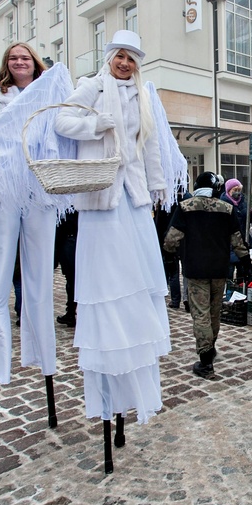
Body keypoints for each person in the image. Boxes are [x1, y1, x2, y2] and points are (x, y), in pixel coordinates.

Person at [54, 29, 175, 430]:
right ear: (110, 57)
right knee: (106, 277)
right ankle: (109, 351)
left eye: (132, 59)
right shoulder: (91, 86)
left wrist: (157, 184)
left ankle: (134, 340)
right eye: (121, 56)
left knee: (137, 276)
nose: (125, 64)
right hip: (101, 194)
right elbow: (61, 120)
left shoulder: (143, 96)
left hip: (133, 197)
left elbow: (151, 145)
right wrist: (95, 125)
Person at [0, 42, 58, 385]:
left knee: (40, 277)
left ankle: (42, 355)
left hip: (38, 189)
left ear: (35, 63)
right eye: (14, 57)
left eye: (25, 57)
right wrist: (15, 135)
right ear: (7, 63)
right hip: (4, 188)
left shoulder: (46, 93)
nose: (20, 62)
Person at [163, 171, 252, 379]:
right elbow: (238, 240)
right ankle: (210, 348)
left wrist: (170, 256)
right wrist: (246, 263)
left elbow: (171, 239)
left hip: (196, 270)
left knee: (200, 314)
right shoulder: (227, 208)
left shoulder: (186, 207)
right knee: (214, 311)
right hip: (219, 269)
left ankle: (205, 361)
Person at [221, 178, 252, 279]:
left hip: (243, 240)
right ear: (228, 190)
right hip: (229, 242)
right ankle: (230, 292)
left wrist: (251, 214)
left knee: (244, 272)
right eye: (235, 190)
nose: (237, 193)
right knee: (229, 272)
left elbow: (249, 219)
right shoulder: (223, 203)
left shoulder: (244, 202)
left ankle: (241, 292)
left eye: (239, 190)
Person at [54, 211, 78, 327]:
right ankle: (71, 312)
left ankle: (70, 313)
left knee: (72, 282)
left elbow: (59, 229)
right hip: (76, 241)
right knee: (73, 281)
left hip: (69, 242)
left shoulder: (66, 207)